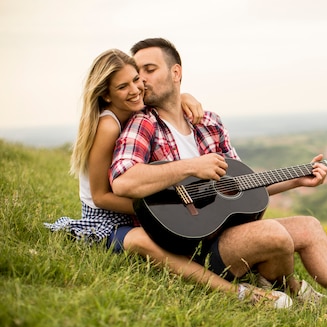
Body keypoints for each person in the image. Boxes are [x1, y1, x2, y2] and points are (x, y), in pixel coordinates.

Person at [110, 38, 327, 327]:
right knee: (276, 234)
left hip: (223, 237)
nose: (142, 81)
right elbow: (123, 179)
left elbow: (238, 188)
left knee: (309, 226)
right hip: (184, 246)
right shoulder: (143, 124)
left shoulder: (208, 122)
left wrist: (296, 180)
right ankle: (286, 289)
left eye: (149, 70)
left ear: (176, 72)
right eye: (138, 74)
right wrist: (193, 166)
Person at [45, 49, 292, 307]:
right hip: (106, 217)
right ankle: (238, 294)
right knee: (144, 241)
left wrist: (184, 96)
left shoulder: (133, 112)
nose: (135, 89)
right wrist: (168, 209)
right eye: (122, 86)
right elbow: (101, 196)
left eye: (136, 79)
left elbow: (166, 101)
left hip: (136, 209)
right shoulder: (108, 125)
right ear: (106, 94)